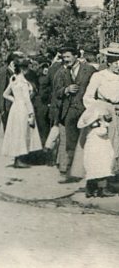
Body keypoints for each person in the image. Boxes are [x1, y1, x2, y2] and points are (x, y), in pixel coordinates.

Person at [53, 46, 96, 183]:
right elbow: (56, 92)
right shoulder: (61, 72)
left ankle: (89, 173)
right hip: (69, 112)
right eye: (63, 57)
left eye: (68, 57)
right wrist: (66, 89)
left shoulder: (89, 70)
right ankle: (71, 173)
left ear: (76, 56)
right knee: (70, 143)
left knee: (88, 142)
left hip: (86, 111)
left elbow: (97, 88)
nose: (65, 60)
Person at [81, 42, 119, 191]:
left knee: (117, 148)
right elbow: (88, 97)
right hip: (104, 116)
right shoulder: (99, 76)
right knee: (103, 148)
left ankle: (114, 179)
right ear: (108, 61)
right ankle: (100, 183)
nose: (117, 65)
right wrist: (101, 110)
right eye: (115, 62)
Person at [0, 58, 43, 168]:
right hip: (23, 109)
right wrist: (31, 114)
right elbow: (27, 100)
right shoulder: (22, 82)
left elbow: (5, 94)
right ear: (23, 69)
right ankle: (19, 159)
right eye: (27, 67)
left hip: (15, 108)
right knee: (22, 133)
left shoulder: (13, 79)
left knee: (16, 133)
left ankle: (17, 159)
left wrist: (15, 100)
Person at [76, 102, 116, 198]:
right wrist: (104, 123)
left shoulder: (90, 131)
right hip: (99, 150)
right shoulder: (98, 128)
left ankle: (90, 190)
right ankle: (102, 189)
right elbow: (103, 131)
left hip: (94, 150)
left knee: (93, 170)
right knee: (102, 167)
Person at [0, 52, 23, 130]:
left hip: (14, 107)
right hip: (7, 108)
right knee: (8, 130)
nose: (15, 64)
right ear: (10, 62)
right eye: (14, 62)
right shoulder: (5, 73)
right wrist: (2, 109)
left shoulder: (16, 73)